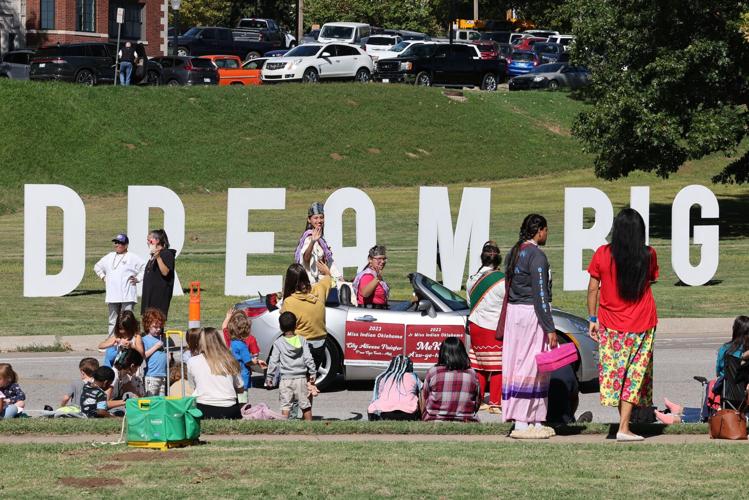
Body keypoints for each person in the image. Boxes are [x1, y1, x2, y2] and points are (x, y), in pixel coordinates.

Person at [587, 208, 659, 442]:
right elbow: (650, 280)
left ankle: (624, 425)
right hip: (641, 321)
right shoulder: (649, 254)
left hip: (610, 323)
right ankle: (624, 427)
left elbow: (592, 289)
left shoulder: (602, 254)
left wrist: (592, 319)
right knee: (634, 375)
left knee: (617, 375)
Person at [500, 214, 557, 439]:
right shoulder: (536, 255)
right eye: (546, 230)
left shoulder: (515, 252)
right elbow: (540, 294)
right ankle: (523, 421)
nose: (547, 234)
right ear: (539, 230)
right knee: (531, 366)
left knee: (519, 364)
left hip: (516, 314)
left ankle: (534, 418)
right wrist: (549, 327)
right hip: (530, 314)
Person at [656, 316, 749, 424]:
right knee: (709, 414)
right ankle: (677, 415)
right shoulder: (745, 353)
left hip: (726, 392)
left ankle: (678, 414)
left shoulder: (725, 349)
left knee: (709, 413)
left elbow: (718, 372)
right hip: (744, 397)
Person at [465, 241, 505, 414]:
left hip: (475, 325)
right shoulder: (502, 280)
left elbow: (469, 302)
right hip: (493, 326)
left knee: (479, 365)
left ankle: (479, 400)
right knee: (498, 366)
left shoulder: (471, 279)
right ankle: (495, 402)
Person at [281, 262, 332, 375]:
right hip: (320, 345)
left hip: (300, 347)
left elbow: (285, 326)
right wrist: (327, 272)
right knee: (310, 380)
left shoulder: (289, 302)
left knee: (298, 381)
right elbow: (328, 279)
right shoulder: (319, 290)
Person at [265, 312, 318, 421]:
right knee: (305, 405)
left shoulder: (278, 343)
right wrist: (312, 372)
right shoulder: (302, 340)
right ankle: (310, 428)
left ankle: (286, 429)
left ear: (280, 327)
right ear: (296, 325)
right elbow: (308, 357)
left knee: (285, 405)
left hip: (285, 380)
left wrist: (269, 377)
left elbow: (273, 361)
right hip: (301, 379)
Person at [93, 233, 145, 337]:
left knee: (127, 319)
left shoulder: (132, 257)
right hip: (112, 295)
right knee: (113, 320)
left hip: (127, 294)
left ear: (126, 245)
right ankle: (111, 341)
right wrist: (103, 277)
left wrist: (138, 279)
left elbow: (145, 267)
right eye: (116, 242)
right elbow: (97, 267)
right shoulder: (109, 256)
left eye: (120, 243)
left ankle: (128, 340)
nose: (117, 245)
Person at [187, 328, 244, 419]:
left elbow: (194, 386)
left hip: (203, 408)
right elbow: (240, 388)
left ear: (200, 342)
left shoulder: (192, 361)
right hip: (230, 408)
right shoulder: (230, 360)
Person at [421, 337, 481, 422]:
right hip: (466, 420)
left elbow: (425, 396)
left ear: (442, 353)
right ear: (462, 353)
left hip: (435, 419)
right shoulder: (472, 373)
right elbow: (477, 400)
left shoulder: (433, 371)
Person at [294, 202, 343, 284]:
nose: (319, 221)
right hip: (313, 282)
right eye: (315, 218)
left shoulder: (321, 240)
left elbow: (329, 261)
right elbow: (306, 258)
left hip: (322, 279)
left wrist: (339, 278)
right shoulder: (309, 237)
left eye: (321, 217)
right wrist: (312, 242)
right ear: (309, 220)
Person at [226, 310, 267, 403]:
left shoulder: (233, 343)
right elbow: (248, 361)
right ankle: (243, 410)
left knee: (235, 395)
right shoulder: (242, 345)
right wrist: (256, 361)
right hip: (242, 375)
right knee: (243, 397)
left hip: (233, 373)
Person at [368, 355, 421, 421]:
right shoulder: (413, 376)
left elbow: (375, 397)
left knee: (373, 405)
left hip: (384, 412)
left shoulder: (382, 377)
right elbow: (422, 391)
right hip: (409, 414)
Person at [141, 229, 176, 320]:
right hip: (149, 297)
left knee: (156, 323)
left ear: (157, 241)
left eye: (150, 240)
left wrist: (158, 257)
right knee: (148, 323)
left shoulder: (166, 254)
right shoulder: (153, 256)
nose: (148, 242)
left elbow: (165, 272)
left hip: (159, 298)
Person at [108, 350, 145, 414]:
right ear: (132, 366)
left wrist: (145, 403)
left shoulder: (124, 376)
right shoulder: (113, 376)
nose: (136, 370)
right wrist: (127, 402)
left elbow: (134, 393)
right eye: (137, 368)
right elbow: (105, 403)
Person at [142, 308, 169, 396]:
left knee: (161, 400)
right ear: (147, 325)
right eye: (155, 327)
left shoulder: (161, 338)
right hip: (151, 376)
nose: (158, 329)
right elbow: (144, 355)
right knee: (151, 399)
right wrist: (156, 347)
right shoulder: (145, 340)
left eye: (160, 327)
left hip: (162, 375)